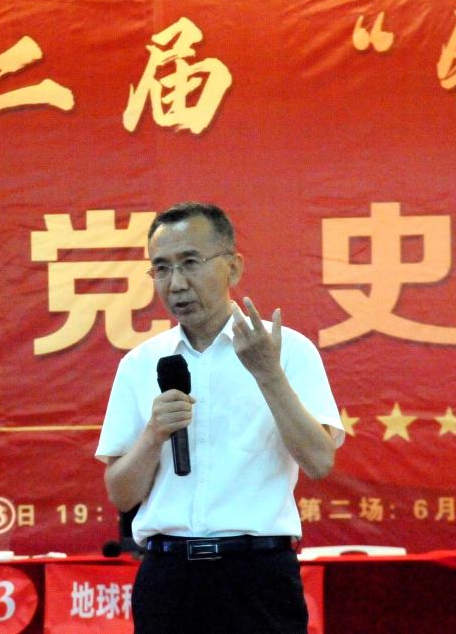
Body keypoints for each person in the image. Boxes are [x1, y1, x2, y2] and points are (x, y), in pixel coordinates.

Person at [95, 202, 344, 634]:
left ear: (233, 266)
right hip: (168, 578)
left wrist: (268, 373)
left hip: (257, 577)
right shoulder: (140, 364)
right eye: (161, 268)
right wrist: (153, 434)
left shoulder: (287, 350)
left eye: (190, 263)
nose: (176, 283)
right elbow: (121, 493)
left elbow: (320, 462)